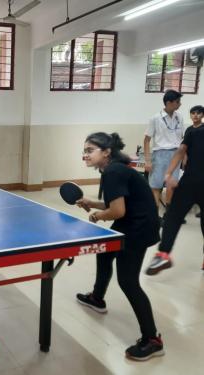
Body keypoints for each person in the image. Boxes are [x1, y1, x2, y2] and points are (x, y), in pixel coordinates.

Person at [75, 132, 163, 361]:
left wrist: (98, 216)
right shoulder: (113, 169)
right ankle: (97, 297)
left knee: (128, 281)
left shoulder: (113, 172)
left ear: (106, 152)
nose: (85, 154)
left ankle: (152, 340)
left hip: (138, 226)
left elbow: (117, 211)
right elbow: (118, 202)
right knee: (105, 253)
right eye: (84, 150)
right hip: (133, 219)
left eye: (90, 150)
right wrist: (92, 202)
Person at [146, 121, 204, 275]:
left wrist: (168, 173)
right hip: (191, 182)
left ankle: (163, 254)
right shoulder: (193, 131)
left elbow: (180, 151)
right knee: (174, 217)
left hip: (190, 182)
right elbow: (181, 150)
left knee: (173, 217)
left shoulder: (194, 131)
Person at [144, 90, 185, 222]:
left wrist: (184, 155)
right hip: (160, 154)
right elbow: (146, 140)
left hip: (176, 153)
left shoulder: (180, 117)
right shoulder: (155, 118)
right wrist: (148, 161)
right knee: (156, 186)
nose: (180, 104)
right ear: (169, 102)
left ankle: (169, 214)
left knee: (172, 185)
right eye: (178, 102)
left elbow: (182, 138)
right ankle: (155, 215)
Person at [183, 105, 203, 219]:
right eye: (193, 113)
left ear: (202, 115)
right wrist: (184, 158)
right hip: (190, 163)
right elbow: (184, 146)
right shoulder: (189, 129)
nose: (195, 115)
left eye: (198, 113)